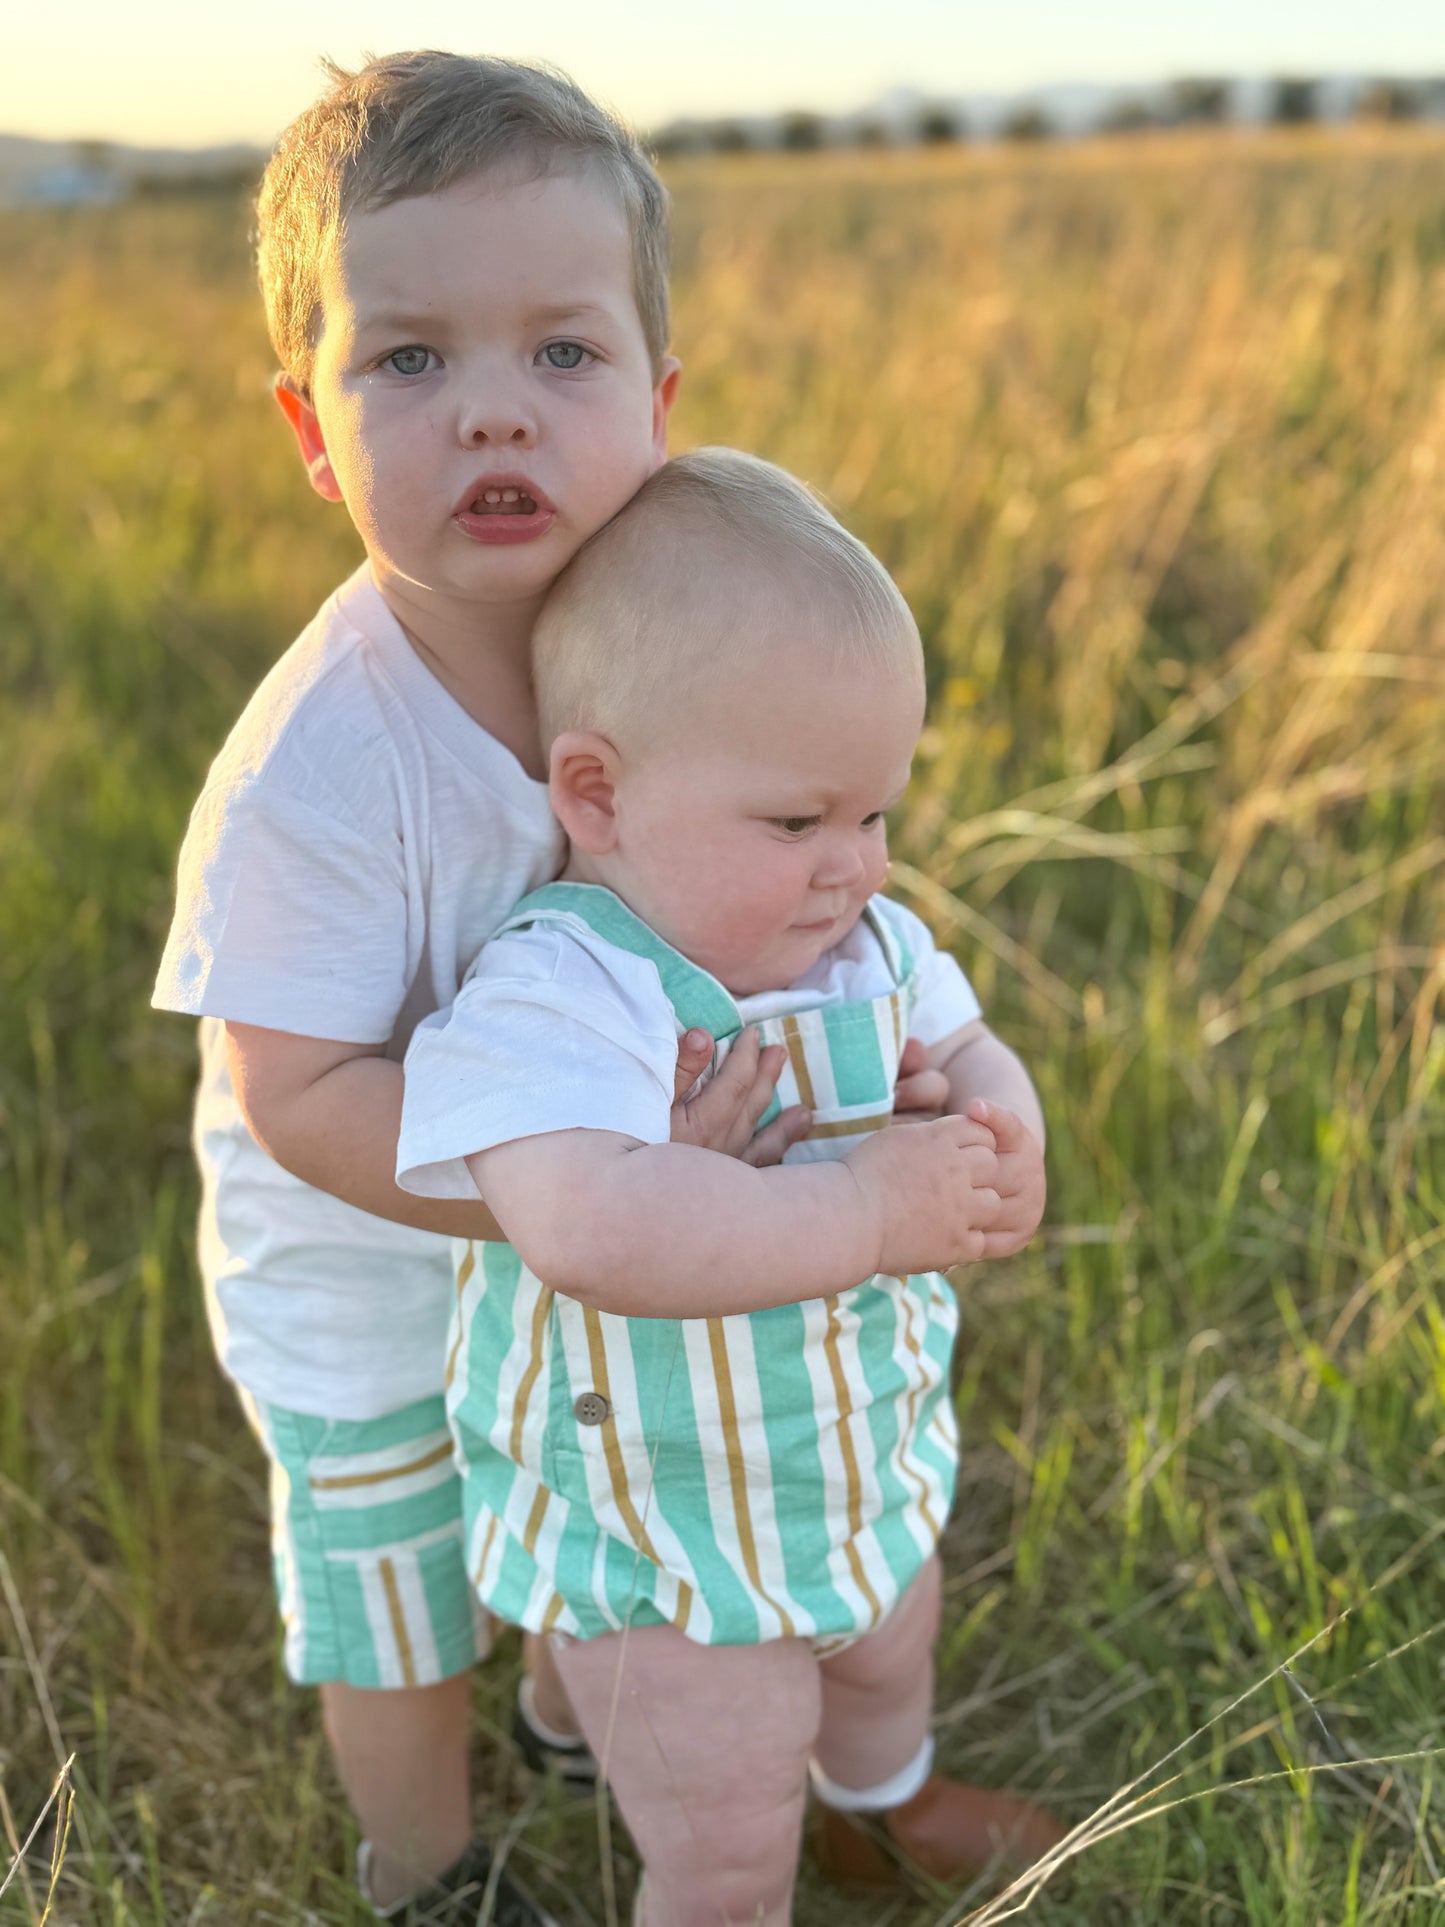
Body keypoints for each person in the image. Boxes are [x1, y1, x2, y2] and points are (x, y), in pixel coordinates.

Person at [151, 53, 821, 1924]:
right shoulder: (324, 763)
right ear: (311, 426)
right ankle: (422, 1869)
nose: (492, 417)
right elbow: (295, 1089)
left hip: (581, 1211)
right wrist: (560, 1184)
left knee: (576, 1473)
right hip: (363, 1262)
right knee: (395, 1574)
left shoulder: (665, 656)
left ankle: (569, 1716)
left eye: (562, 355)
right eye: (411, 361)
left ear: (661, 402)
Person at [395, 449, 1066, 1926]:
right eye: (796, 824)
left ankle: (877, 1813)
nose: (854, 869)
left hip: (848, 1445)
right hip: (664, 1522)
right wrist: (868, 1215)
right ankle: (735, 1863)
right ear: (600, 794)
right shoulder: (566, 989)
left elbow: (965, 1039)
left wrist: (997, 1130)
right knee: (723, 1819)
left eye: (877, 817)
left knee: (887, 1652)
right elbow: (582, 1227)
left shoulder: (865, 949)